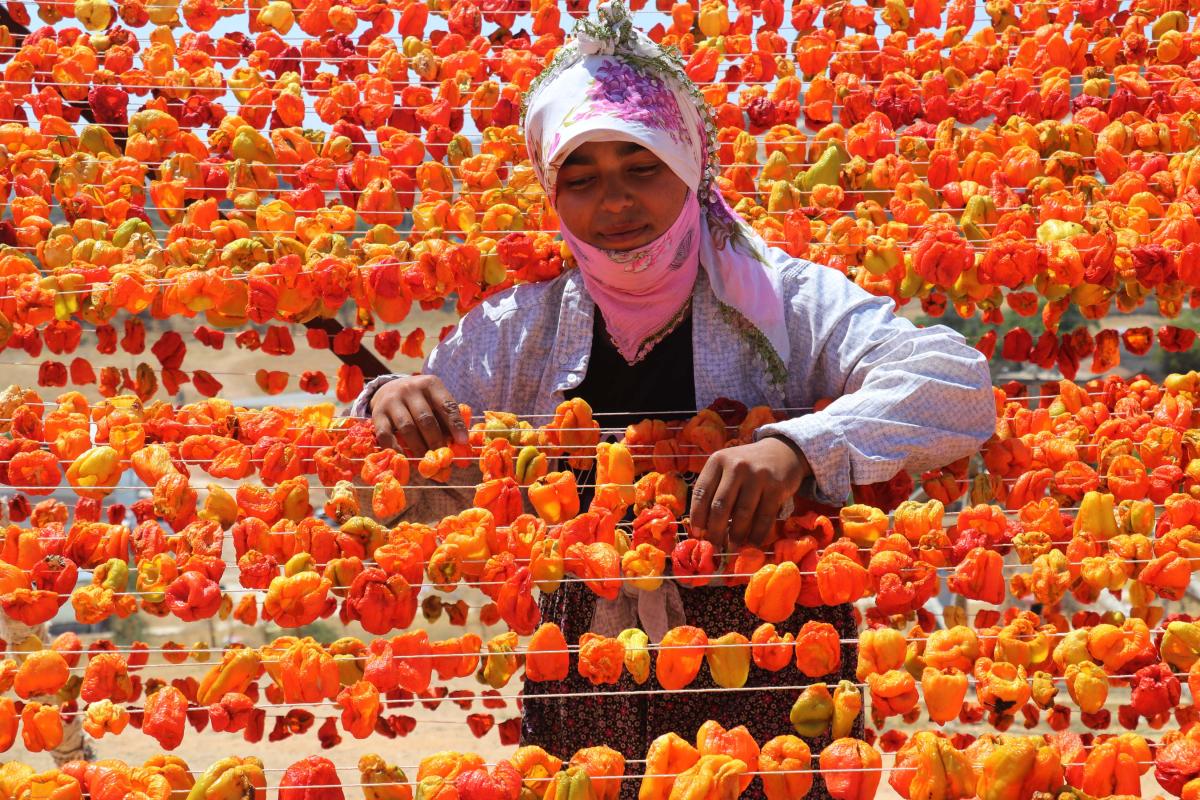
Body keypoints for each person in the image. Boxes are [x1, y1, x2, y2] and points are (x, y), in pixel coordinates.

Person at [351, 3, 996, 797]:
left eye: (643, 165)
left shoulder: (790, 305)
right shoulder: (519, 329)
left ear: (690, 165)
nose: (615, 201)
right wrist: (391, 401)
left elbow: (956, 382)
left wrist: (797, 448)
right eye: (581, 178)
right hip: (585, 689)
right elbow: (403, 482)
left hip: (777, 685)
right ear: (553, 194)